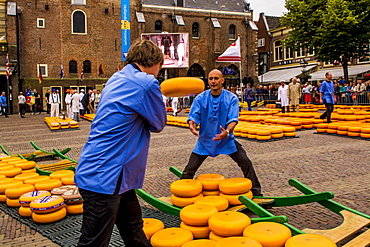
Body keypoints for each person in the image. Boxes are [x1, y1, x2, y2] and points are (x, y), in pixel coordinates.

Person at [74, 39, 166, 247]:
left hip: (110, 173)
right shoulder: (147, 82)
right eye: (160, 67)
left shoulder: (116, 78)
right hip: (107, 176)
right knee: (94, 242)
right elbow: (159, 123)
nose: (159, 73)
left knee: (133, 227)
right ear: (154, 62)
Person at [180, 69, 262, 196]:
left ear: (222, 80)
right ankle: (183, 191)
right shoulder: (201, 98)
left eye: (216, 78)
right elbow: (194, 115)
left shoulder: (232, 98)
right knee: (189, 169)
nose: (213, 81)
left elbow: (233, 119)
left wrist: (227, 131)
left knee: (245, 162)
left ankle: (256, 193)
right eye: (211, 78)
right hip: (205, 140)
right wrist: (192, 124)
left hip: (226, 140)